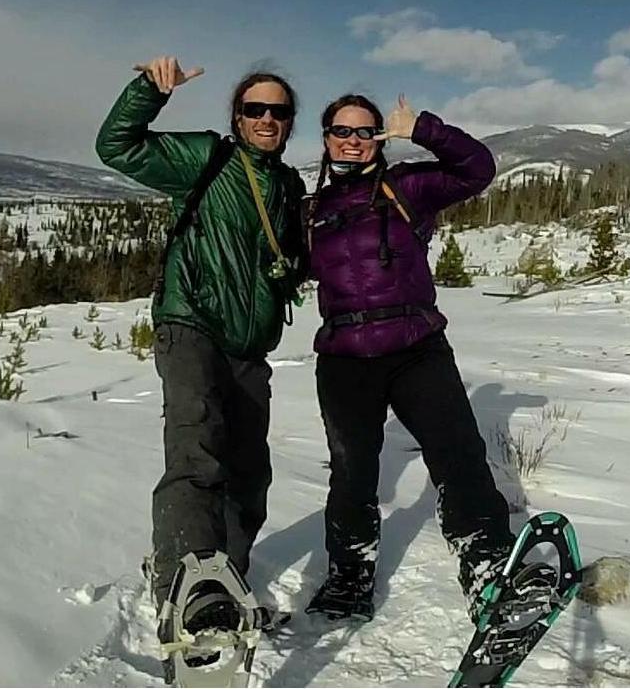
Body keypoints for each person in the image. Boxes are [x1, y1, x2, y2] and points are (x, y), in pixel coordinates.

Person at [95, 56, 306, 629]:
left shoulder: (288, 184)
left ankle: (226, 588)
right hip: (190, 324)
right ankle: (187, 591)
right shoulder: (206, 158)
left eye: (278, 111)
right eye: (254, 109)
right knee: (197, 453)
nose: (266, 118)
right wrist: (148, 91)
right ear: (237, 117)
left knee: (249, 473)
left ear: (290, 122)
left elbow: (293, 258)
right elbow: (117, 146)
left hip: (249, 346)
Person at [303, 92, 515, 623]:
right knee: (352, 472)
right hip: (345, 357)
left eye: (364, 131)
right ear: (326, 139)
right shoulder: (310, 212)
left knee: (458, 455)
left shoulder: (409, 188)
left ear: (378, 137)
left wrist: (421, 127)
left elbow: (477, 169)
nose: (352, 141)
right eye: (340, 131)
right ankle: (349, 576)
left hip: (417, 347)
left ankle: (487, 564)